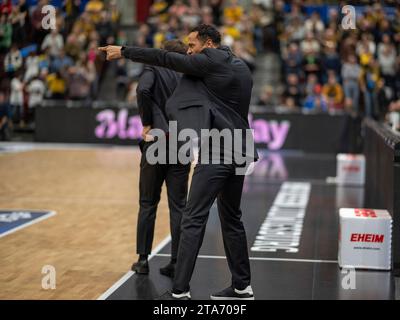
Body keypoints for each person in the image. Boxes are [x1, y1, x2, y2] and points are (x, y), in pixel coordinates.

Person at [99, 24, 257, 300]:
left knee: (193, 218)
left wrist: (124, 51)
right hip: (242, 149)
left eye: (192, 45)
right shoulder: (241, 66)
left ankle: (179, 291)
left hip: (219, 151)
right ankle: (242, 286)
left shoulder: (209, 61)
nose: (188, 50)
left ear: (208, 44)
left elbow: (165, 58)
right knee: (232, 218)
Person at [130, 40, 191, 279]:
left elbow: (143, 90)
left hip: (157, 140)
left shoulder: (153, 68)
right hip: (182, 141)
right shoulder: (189, 74)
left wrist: (147, 121)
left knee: (148, 203)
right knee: (179, 206)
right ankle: (177, 262)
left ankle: (143, 260)